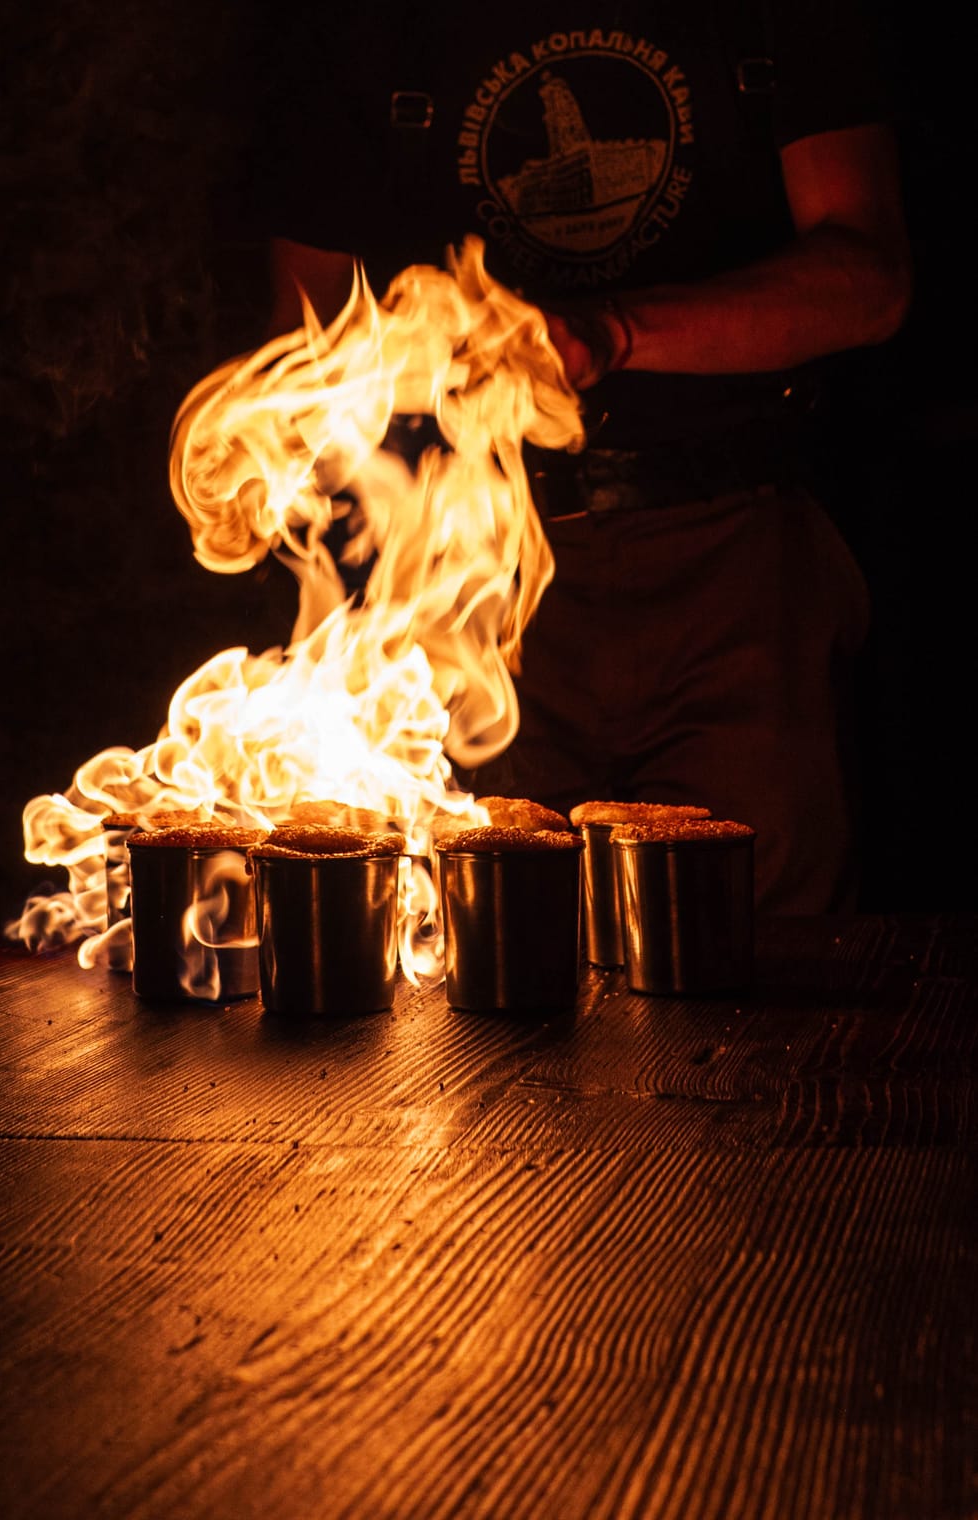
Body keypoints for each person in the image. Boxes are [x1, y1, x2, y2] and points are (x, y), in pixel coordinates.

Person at [250, 0, 912, 914]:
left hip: (736, 563)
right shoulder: (369, 30)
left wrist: (604, 335)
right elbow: (302, 347)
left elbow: (868, 284)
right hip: (473, 580)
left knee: (756, 962)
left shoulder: (770, 16)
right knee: (487, 965)